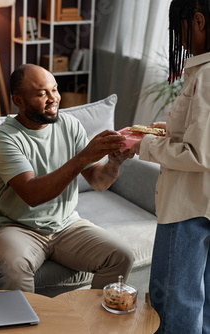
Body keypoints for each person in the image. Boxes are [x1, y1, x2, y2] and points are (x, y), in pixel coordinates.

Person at [0, 64, 135, 293]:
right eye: (41, 94)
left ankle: (92, 324)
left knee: (121, 256)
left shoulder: (70, 125)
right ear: (18, 100)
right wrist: (82, 157)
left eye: (54, 89)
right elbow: (32, 194)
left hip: (67, 224)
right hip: (18, 227)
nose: (53, 98)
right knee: (15, 269)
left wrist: (115, 162)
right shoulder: (5, 137)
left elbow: (98, 182)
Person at [130, 1, 210, 332]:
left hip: (186, 208)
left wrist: (142, 144)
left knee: (174, 305)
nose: (178, 38)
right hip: (202, 205)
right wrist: (169, 130)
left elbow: (198, 154)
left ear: (199, 21)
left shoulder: (205, 76)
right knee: (201, 304)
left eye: (179, 29)